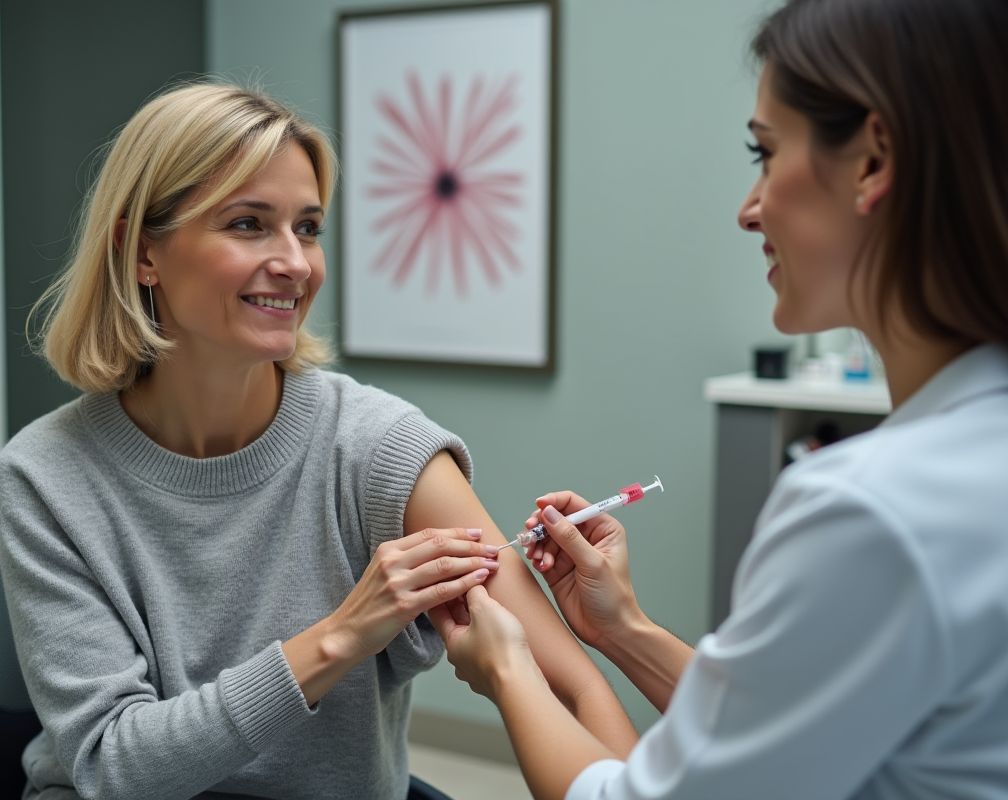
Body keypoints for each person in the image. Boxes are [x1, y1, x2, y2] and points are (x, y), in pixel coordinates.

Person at [0, 82, 637, 800]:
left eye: (308, 227)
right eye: (248, 224)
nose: (296, 263)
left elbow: (575, 692)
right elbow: (114, 766)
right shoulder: (46, 475)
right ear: (141, 252)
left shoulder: (381, 452)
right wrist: (342, 636)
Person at [431, 0, 1008, 797]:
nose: (748, 209)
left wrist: (509, 668)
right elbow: (786, 738)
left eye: (764, 154)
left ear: (874, 161)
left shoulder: (873, 511)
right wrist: (622, 630)